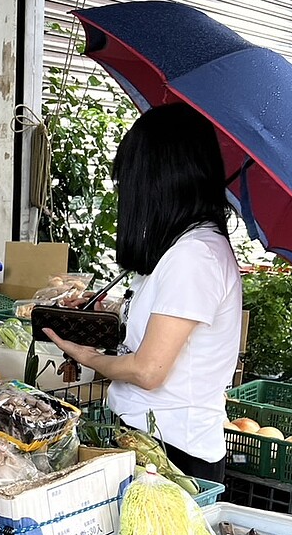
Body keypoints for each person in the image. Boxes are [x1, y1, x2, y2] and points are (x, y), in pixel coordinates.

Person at [44, 102, 241, 482]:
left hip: (172, 455)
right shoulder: (185, 248)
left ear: (158, 181)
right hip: (156, 444)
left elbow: (149, 370)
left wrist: (89, 357)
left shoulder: (194, 256)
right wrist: (110, 309)